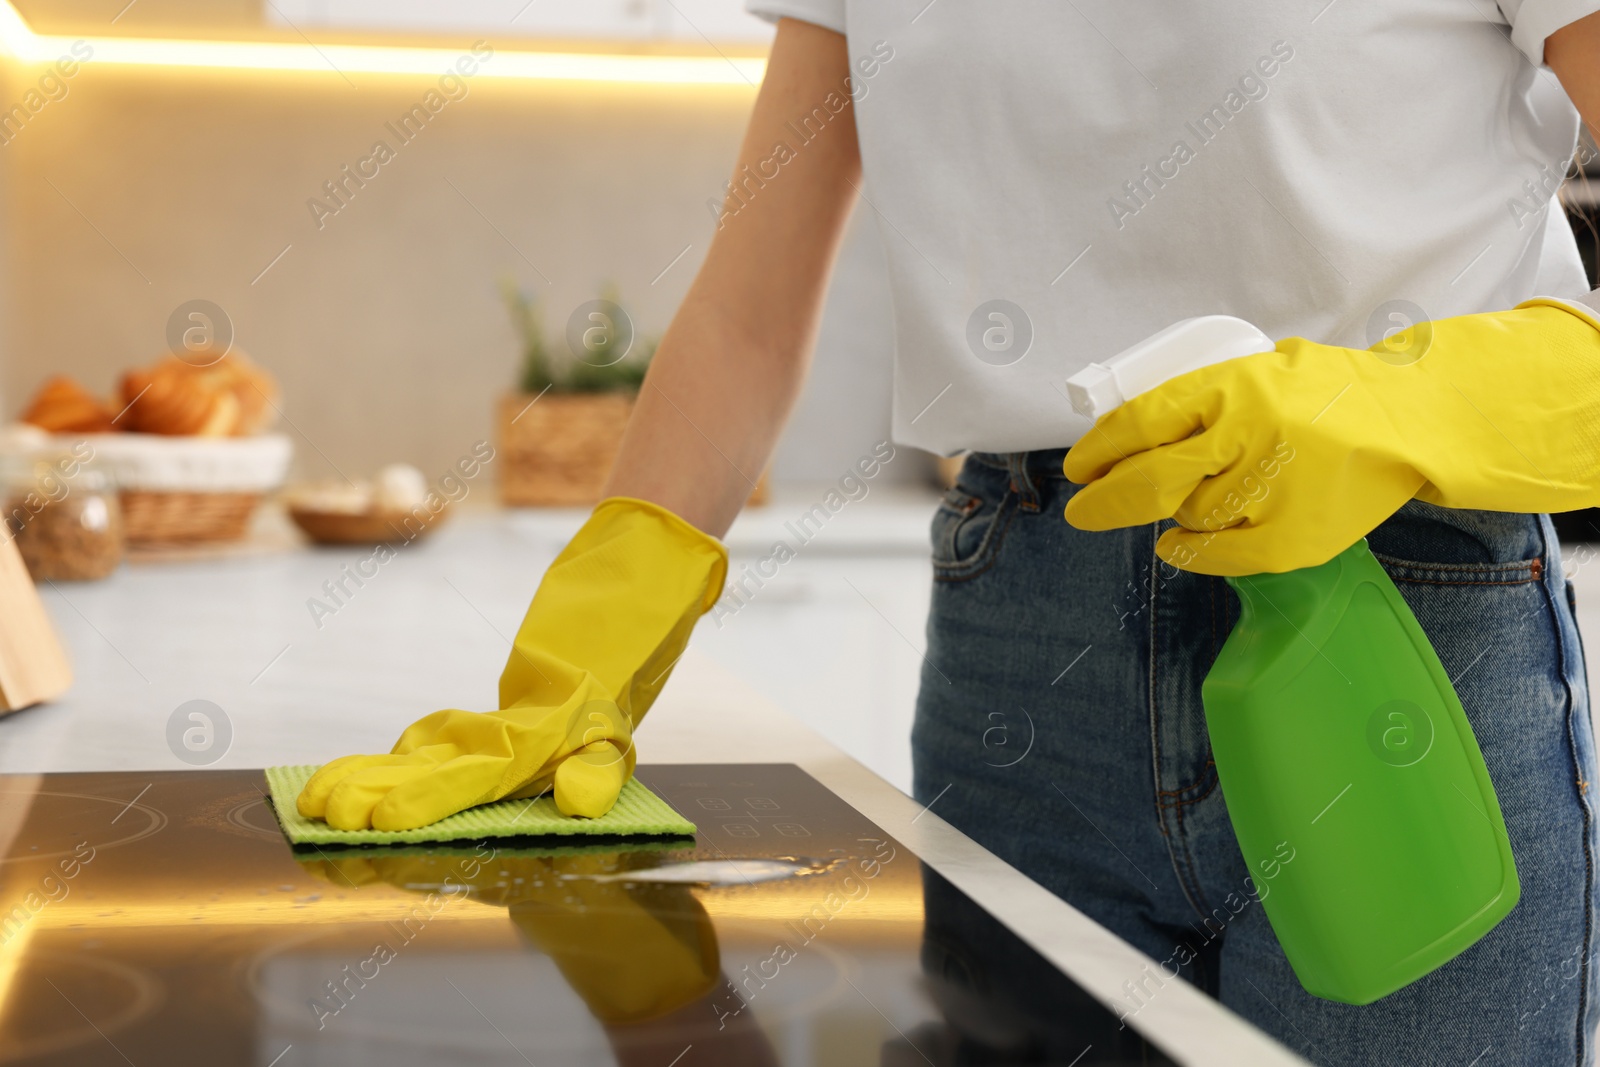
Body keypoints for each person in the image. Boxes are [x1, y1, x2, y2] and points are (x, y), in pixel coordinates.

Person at [298, 5, 1600, 1062]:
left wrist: (1389, 403)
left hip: (1400, 631)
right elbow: (749, 314)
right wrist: (587, 652)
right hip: (1024, 646)